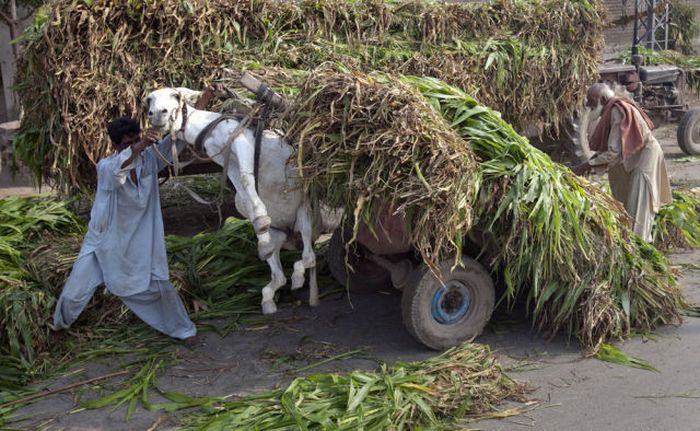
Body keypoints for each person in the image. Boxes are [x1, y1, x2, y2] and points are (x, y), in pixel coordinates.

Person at [51, 85, 221, 341]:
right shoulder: (106, 167)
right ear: (116, 145)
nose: (133, 146)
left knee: (159, 285)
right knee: (75, 291)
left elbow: (183, 134)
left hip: (139, 241)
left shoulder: (150, 160)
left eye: (135, 139)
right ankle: (58, 327)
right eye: (127, 143)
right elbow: (123, 164)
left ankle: (183, 331)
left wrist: (205, 97)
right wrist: (141, 144)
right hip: (102, 241)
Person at [572, 83, 672, 242]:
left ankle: (640, 250)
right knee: (626, 206)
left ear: (603, 99)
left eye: (592, 101)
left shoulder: (618, 110)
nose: (589, 105)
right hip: (632, 160)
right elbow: (610, 148)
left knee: (638, 210)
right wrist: (591, 164)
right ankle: (634, 242)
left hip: (644, 161)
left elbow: (613, 153)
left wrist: (586, 165)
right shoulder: (610, 110)